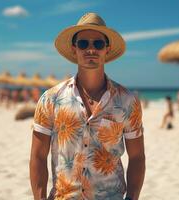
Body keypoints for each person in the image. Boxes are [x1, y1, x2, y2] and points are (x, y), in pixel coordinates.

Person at [30, 13, 145, 200]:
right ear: (74, 49)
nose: (91, 49)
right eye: (84, 43)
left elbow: (137, 156)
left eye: (98, 44)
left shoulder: (127, 101)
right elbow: (38, 156)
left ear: (106, 50)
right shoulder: (50, 99)